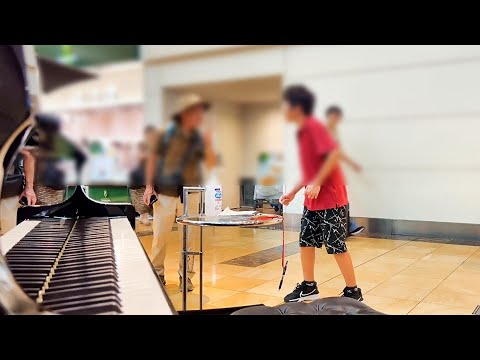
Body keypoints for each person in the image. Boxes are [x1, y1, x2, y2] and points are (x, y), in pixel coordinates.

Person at [280, 85, 363, 302]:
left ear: (297, 107)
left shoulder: (314, 127)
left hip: (331, 199)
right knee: (305, 241)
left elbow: (333, 155)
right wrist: (293, 192)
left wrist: (317, 182)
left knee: (336, 245)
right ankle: (309, 286)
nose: (283, 109)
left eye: (286, 104)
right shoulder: (302, 132)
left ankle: (353, 291)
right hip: (312, 200)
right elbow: (310, 170)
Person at [143, 94, 216, 291]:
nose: (200, 116)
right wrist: (149, 187)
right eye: (196, 112)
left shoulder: (199, 137)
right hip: (165, 193)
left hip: (190, 194)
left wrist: (209, 145)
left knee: (190, 239)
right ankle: (157, 274)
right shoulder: (163, 134)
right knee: (160, 237)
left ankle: (186, 277)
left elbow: (210, 163)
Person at [325, 105, 365, 236]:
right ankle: (346, 227)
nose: (338, 120)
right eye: (336, 117)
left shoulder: (333, 132)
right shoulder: (323, 132)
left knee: (341, 200)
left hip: (333, 172)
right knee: (336, 201)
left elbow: (338, 153)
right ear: (331, 116)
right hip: (325, 174)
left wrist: (353, 164)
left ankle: (348, 226)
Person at [0, 148, 36, 235]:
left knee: (6, 235)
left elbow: (28, 153)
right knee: (6, 236)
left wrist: (29, 187)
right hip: (7, 191)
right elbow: (28, 153)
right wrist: (29, 187)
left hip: (7, 190)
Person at [129, 126, 157, 226]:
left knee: (147, 199)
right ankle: (143, 215)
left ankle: (144, 216)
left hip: (146, 177)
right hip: (138, 178)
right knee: (140, 198)